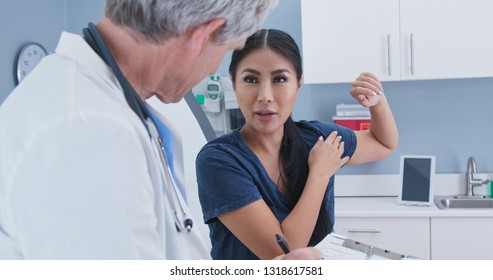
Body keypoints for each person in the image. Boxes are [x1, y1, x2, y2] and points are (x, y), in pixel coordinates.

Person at [0, 0, 320, 260]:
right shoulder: (87, 131)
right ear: (202, 36)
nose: (213, 68)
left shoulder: (107, 106)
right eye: (224, 52)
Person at [196, 29, 399, 260]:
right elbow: (285, 254)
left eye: (280, 79)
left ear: (299, 84)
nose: (265, 96)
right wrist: (320, 174)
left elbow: (383, 143)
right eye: (251, 79)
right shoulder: (219, 160)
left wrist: (377, 102)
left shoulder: (317, 138)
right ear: (233, 84)